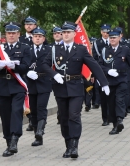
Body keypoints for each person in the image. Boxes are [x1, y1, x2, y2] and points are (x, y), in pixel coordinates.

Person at [41, 21, 109, 158]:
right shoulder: (55, 49)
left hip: (76, 87)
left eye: (68, 32)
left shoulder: (81, 49)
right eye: (63, 32)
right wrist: (54, 74)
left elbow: (94, 65)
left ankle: (74, 146)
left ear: (74, 34)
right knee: (64, 118)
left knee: (74, 115)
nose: (65, 35)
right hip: (60, 88)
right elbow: (44, 65)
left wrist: (104, 83)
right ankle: (68, 145)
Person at [0, 22, 32, 157]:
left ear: (18, 34)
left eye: (14, 33)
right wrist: (0, 66)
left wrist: (13, 66)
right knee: (5, 115)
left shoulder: (25, 48)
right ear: (6, 35)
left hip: (18, 85)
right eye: (9, 33)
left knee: (16, 112)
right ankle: (8, 142)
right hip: (3, 84)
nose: (11, 35)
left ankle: (15, 139)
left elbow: (25, 66)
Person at [98, 29, 130, 135]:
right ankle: (116, 125)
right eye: (110, 38)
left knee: (120, 99)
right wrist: (108, 71)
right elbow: (99, 65)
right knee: (111, 104)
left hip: (122, 79)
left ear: (119, 38)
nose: (112, 39)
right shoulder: (104, 50)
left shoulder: (125, 49)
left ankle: (120, 119)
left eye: (114, 37)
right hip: (109, 80)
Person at [25, 26, 52, 146]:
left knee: (41, 107)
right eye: (35, 36)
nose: (37, 38)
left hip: (44, 81)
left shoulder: (49, 49)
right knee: (34, 110)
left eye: (40, 37)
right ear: (32, 38)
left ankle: (40, 131)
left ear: (43, 38)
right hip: (31, 83)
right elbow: (23, 65)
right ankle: (37, 135)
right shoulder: (27, 50)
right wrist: (27, 73)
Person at [92, 24, 111, 126]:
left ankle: (113, 115)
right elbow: (94, 59)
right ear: (101, 32)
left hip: (112, 72)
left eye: (107, 32)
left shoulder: (113, 42)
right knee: (103, 97)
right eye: (104, 32)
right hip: (101, 72)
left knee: (112, 96)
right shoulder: (96, 43)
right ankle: (105, 118)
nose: (105, 34)